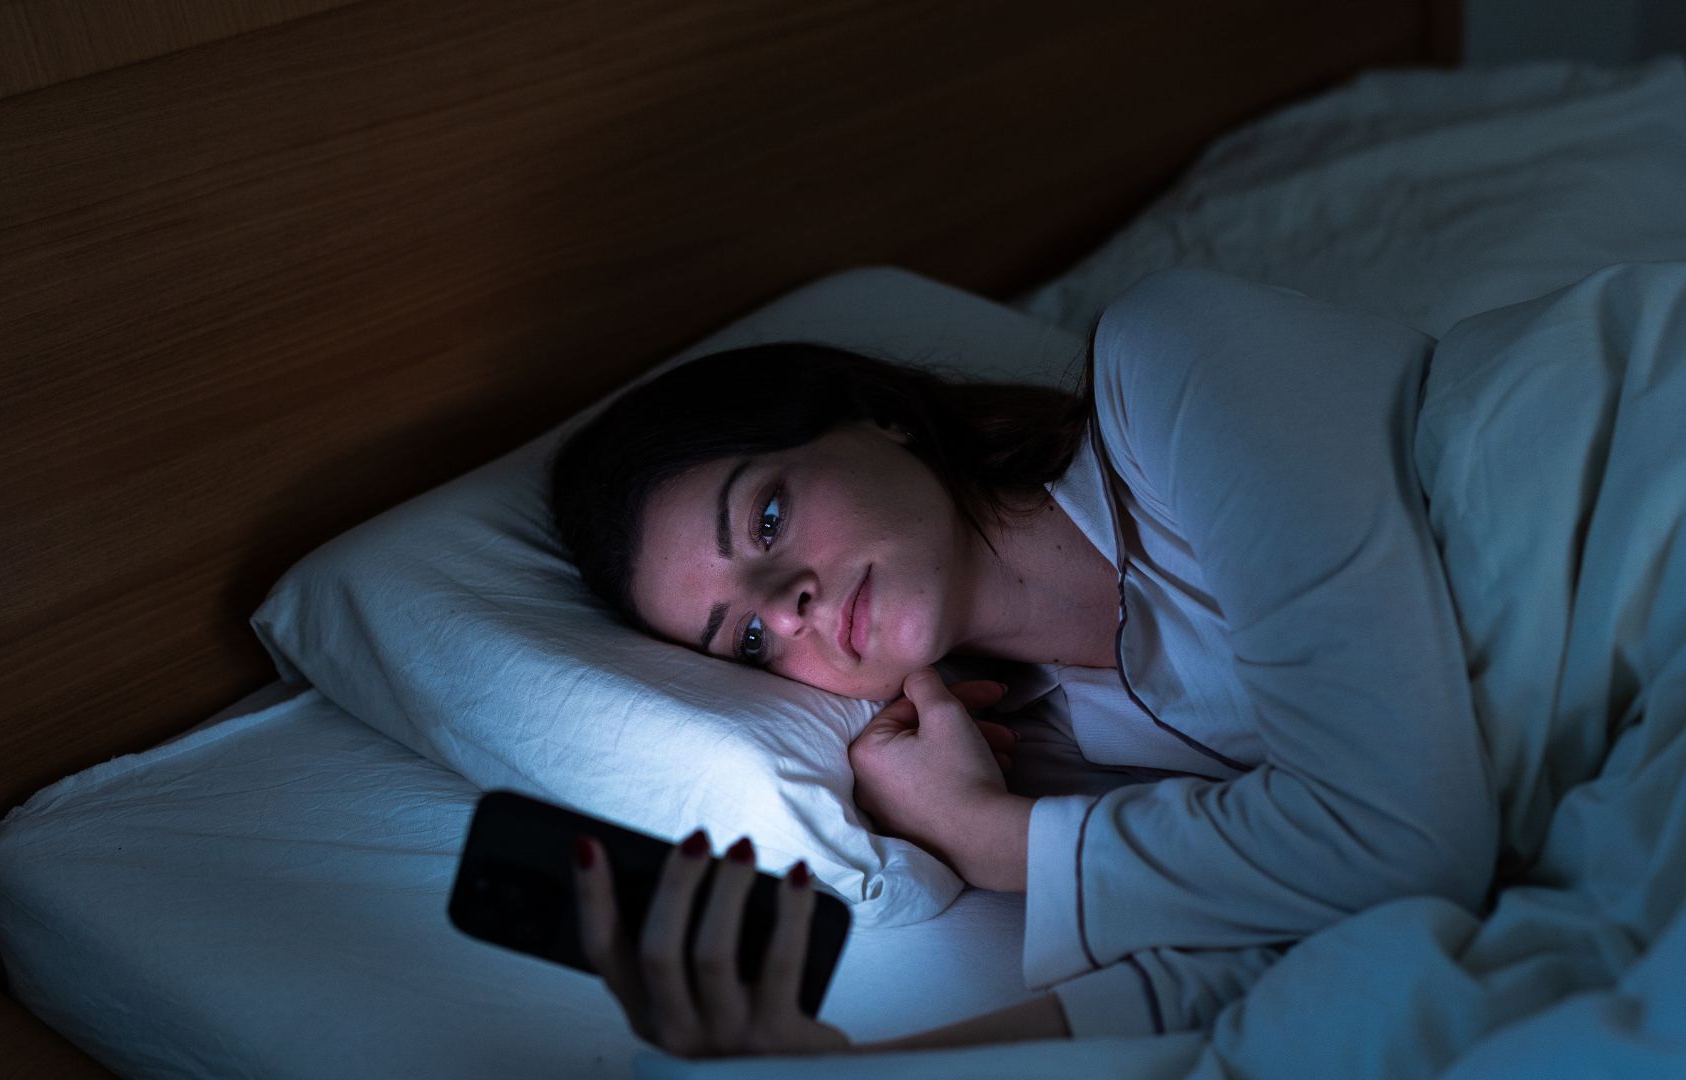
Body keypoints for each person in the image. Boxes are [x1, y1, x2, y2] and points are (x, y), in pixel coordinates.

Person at [546, 269, 1499, 1058]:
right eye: (747, 638)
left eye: (765, 519)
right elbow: (1276, 953)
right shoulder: (1038, 751)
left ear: (880, 417)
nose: (787, 603)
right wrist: (835, 1071)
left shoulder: (1172, 361)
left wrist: (997, 840)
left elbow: (1407, 841)